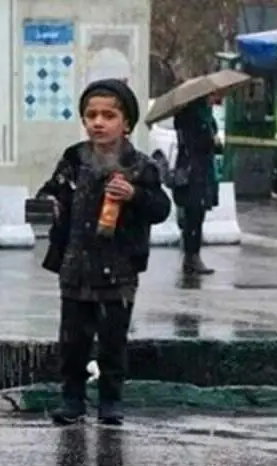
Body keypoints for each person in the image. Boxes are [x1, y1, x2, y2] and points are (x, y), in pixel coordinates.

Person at [35, 79, 173, 426]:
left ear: (125, 123)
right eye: (91, 115)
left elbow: (160, 208)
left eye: (108, 115)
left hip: (119, 270)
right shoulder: (74, 159)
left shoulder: (140, 166)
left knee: (113, 340)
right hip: (75, 266)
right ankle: (72, 399)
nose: (98, 122)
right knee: (72, 340)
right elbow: (53, 191)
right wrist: (48, 204)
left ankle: (111, 400)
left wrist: (134, 195)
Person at [171, 94, 221, 275]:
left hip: (199, 170)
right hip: (193, 171)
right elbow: (197, 143)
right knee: (193, 214)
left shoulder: (204, 115)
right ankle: (192, 256)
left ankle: (192, 256)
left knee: (197, 215)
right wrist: (210, 139)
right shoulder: (192, 116)